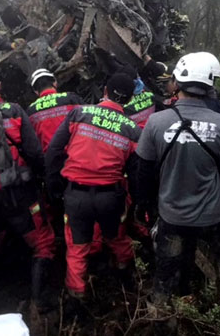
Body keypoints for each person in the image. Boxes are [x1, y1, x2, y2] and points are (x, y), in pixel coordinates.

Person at [135, 53, 220, 316]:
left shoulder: (156, 122)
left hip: (173, 214)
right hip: (214, 215)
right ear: (210, 86)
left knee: (165, 274)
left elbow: (143, 173)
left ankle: (161, 318)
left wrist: (144, 206)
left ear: (177, 82)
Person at [0, 63, 55, 308]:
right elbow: (35, 152)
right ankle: (40, 303)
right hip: (20, 195)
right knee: (43, 243)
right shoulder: (13, 110)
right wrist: (44, 179)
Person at [45, 73, 141, 301]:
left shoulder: (78, 113)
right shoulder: (133, 129)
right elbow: (137, 173)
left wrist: (54, 189)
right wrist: (137, 202)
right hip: (111, 197)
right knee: (117, 238)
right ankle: (127, 282)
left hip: (76, 195)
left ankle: (77, 298)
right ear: (128, 100)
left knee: (77, 248)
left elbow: (53, 153)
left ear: (105, 91)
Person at [25, 68, 84, 152]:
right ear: (55, 83)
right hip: (77, 153)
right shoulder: (71, 98)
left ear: (36, 91)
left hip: (51, 160)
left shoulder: (30, 111)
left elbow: (31, 141)